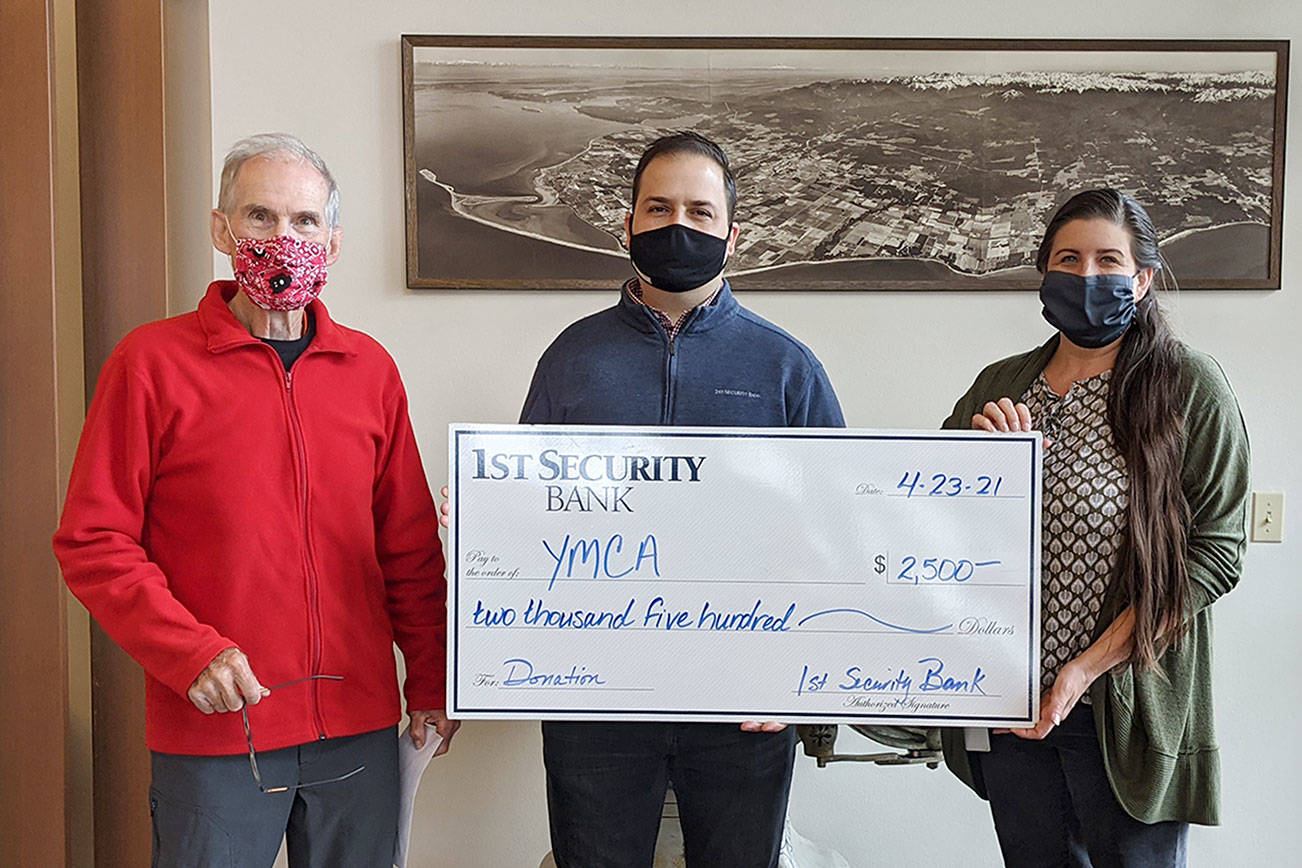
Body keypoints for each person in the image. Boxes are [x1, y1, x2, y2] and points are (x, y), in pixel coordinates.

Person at [54, 132, 457, 866]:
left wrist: (429, 678)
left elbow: (407, 546)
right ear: (221, 228)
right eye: (260, 216)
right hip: (216, 736)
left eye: (304, 222)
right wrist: (189, 654)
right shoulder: (150, 364)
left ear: (332, 242)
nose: (284, 238)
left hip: (358, 733)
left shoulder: (370, 370)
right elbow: (93, 541)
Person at [445, 131, 844, 867]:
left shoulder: (786, 367)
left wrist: (801, 683)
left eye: (699, 210)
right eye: (658, 208)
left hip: (743, 704)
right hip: (593, 703)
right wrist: (484, 522)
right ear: (626, 225)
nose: (677, 227)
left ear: (733, 234)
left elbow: (832, 539)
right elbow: (536, 517)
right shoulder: (573, 356)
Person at [939, 189, 1249, 867]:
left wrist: (1084, 670)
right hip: (1011, 706)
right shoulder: (1001, 385)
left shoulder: (1189, 386)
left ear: (1141, 279)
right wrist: (981, 470)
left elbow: (1217, 554)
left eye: (1109, 260)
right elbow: (933, 531)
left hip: (1125, 707)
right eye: (1067, 259)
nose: (1086, 276)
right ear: (1044, 275)